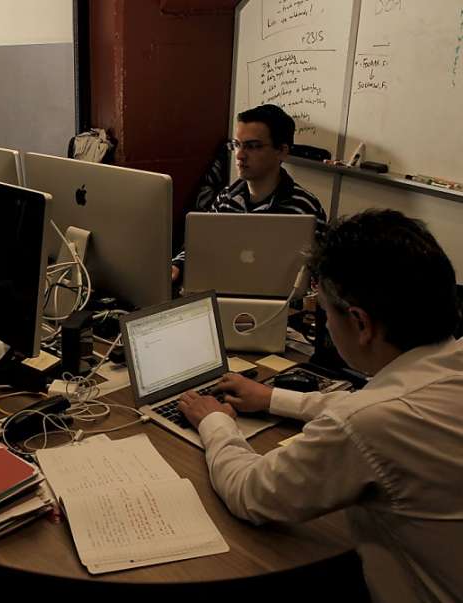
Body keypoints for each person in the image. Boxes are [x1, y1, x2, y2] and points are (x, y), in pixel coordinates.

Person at [178, 209, 463, 602]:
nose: (324, 323)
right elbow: (375, 402)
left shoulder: (369, 423)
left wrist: (215, 422)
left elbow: (251, 493)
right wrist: (274, 397)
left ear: (361, 324)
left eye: (324, 311)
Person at [172, 104, 328, 283]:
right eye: (237, 145)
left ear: (282, 151)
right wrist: (178, 265)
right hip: (225, 291)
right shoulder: (226, 199)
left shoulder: (306, 208)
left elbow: (320, 276)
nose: (239, 155)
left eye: (252, 146)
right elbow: (202, 245)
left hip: (281, 305)